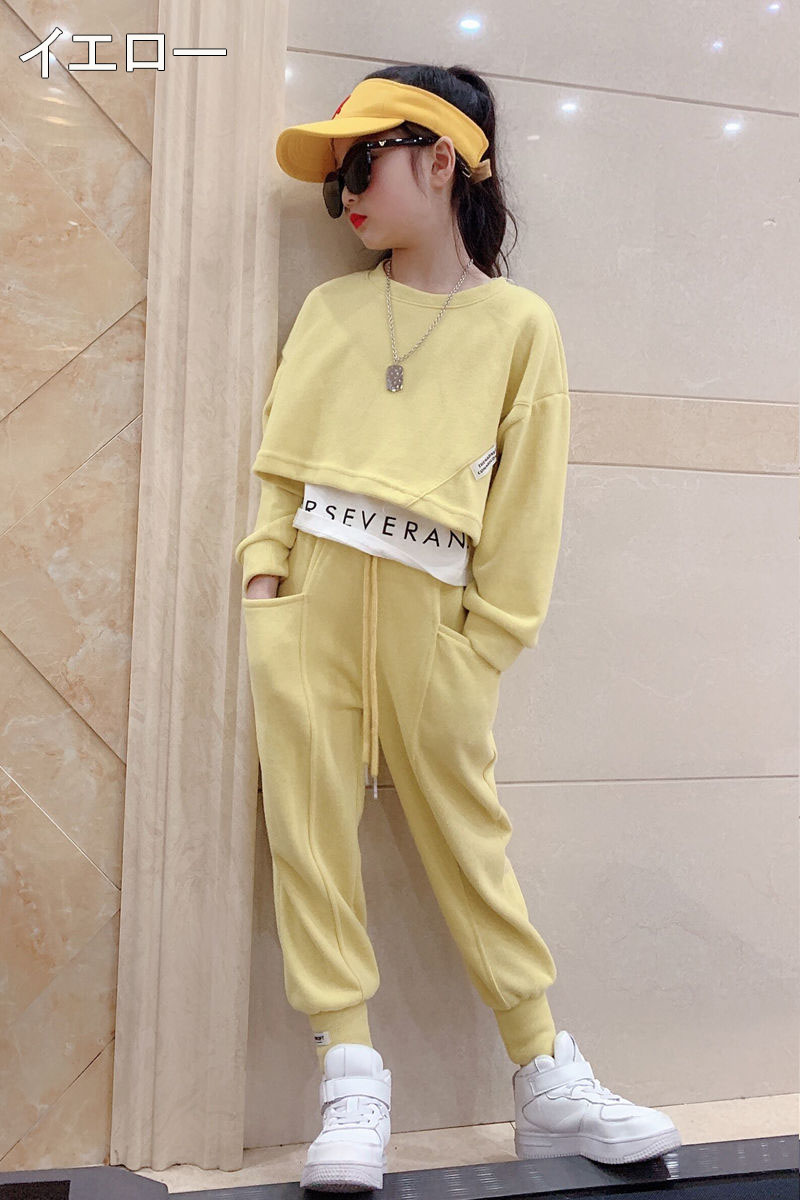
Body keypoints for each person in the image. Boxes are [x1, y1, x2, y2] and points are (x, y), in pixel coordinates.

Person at [234, 63, 681, 1193]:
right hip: (311, 593)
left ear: (441, 161)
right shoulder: (332, 310)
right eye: (337, 177)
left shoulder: (520, 325)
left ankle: (545, 1074)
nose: (345, 195)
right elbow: (280, 467)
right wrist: (264, 581)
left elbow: (526, 509)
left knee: (468, 842)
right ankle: (348, 1076)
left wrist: (483, 644)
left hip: (435, 613)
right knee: (306, 831)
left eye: (361, 164)